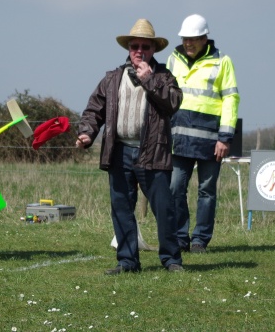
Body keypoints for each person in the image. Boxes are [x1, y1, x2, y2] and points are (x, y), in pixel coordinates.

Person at [76, 19, 184, 274]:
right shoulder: (112, 78)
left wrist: (150, 81)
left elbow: (173, 103)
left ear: (153, 50)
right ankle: (127, 261)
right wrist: (87, 133)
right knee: (122, 208)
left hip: (153, 152)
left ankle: (171, 260)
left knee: (164, 209)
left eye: (145, 46)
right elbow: (94, 110)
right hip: (119, 152)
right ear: (128, 48)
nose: (139, 50)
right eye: (134, 45)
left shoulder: (164, 77)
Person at [168, 14, 240, 253]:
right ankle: (180, 238)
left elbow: (231, 99)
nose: (188, 43)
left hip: (211, 140)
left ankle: (199, 240)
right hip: (178, 139)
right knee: (175, 188)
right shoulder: (173, 59)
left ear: (205, 38)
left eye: (193, 39)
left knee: (206, 192)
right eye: (185, 39)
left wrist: (225, 138)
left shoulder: (222, 61)